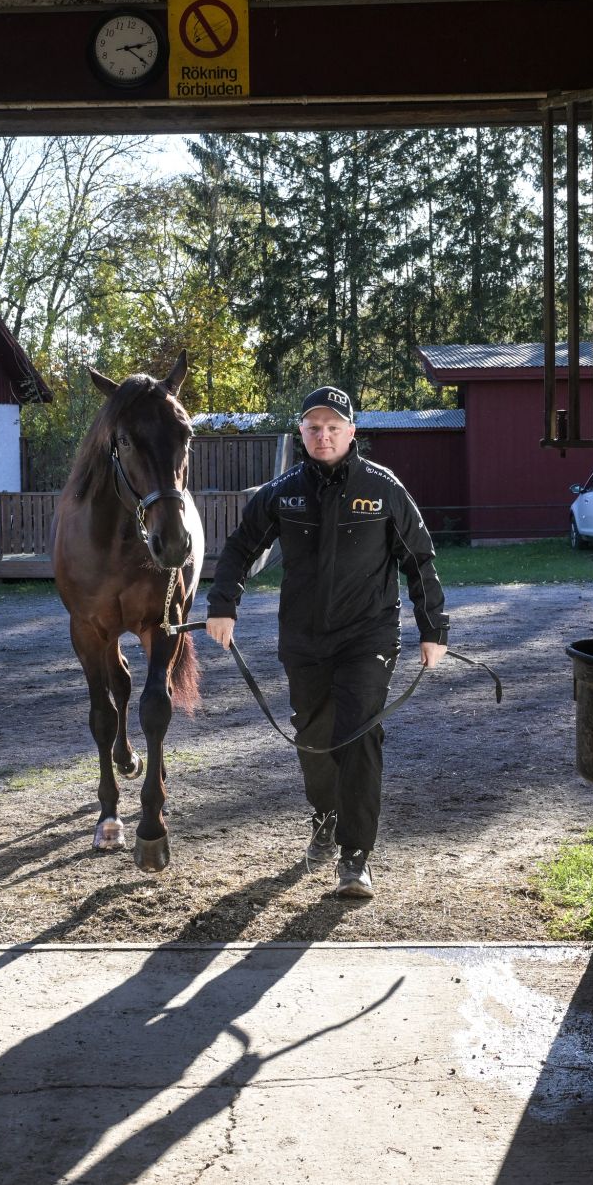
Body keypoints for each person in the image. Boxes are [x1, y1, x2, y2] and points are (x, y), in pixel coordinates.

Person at [205, 385, 448, 898]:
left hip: (369, 637)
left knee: (358, 732)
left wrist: (433, 629)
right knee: (313, 738)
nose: (324, 435)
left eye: (333, 427)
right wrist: (223, 604)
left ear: (352, 432)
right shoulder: (283, 491)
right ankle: (326, 816)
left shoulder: (383, 489)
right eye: (314, 427)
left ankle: (355, 856)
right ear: (302, 432)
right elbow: (241, 546)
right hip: (304, 640)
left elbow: (419, 559)